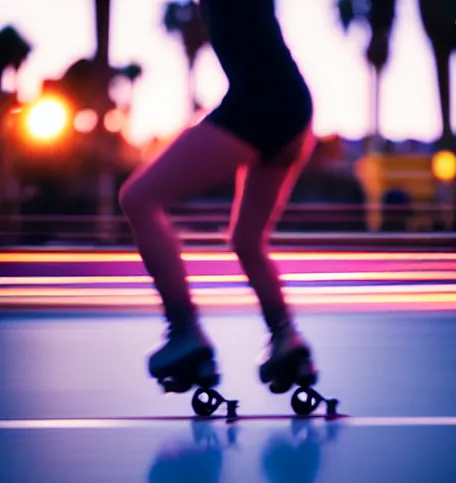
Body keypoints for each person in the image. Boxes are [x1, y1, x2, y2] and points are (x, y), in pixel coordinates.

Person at [119, 0, 317, 394]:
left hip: (257, 105)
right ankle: (286, 338)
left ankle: (185, 331)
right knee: (246, 242)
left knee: (138, 199)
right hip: (292, 107)